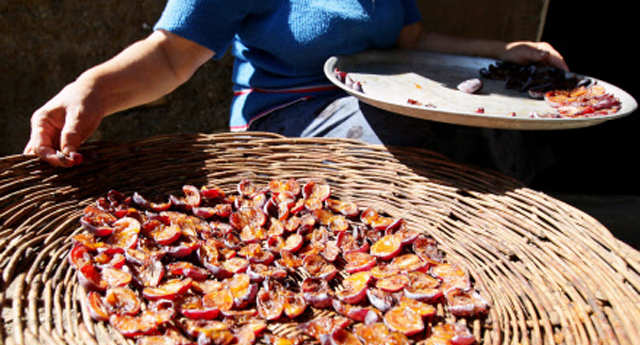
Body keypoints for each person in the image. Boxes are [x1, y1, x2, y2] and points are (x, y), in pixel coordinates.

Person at [24, 0, 567, 172]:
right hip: (286, 117)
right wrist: (91, 89)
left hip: (380, 101)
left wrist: (501, 53)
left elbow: (413, 40)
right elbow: (170, 55)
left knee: (505, 126)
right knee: (422, 142)